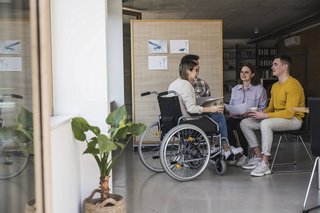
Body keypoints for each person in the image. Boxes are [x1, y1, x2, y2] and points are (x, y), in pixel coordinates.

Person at [240, 54, 305, 177]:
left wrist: (265, 116)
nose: (272, 67)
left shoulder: (293, 84)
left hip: (294, 120)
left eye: (275, 64)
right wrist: (259, 112)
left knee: (266, 123)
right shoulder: (275, 86)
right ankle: (259, 156)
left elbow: (289, 113)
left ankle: (265, 164)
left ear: (284, 66)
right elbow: (271, 107)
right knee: (245, 123)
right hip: (277, 118)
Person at [168, 59, 241, 160]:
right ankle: (225, 148)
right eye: (196, 70)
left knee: (214, 114)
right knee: (219, 116)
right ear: (188, 71)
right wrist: (211, 109)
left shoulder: (174, 84)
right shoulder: (186, 85)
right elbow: (191, 109)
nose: (198, 73)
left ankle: (217, 147)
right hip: (188, 122)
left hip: (176, 121)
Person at [226, 63, 268, 166]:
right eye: (241, 72)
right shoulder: (235, 89)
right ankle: (234, 152)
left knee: (241, 125)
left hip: (252, 118)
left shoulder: (259, 90)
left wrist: (249, 113)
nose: (243, 74)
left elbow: (263, 108)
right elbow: (231, 105)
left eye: (246, 72)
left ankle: (244, 155)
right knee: (226, 123)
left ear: (252, 74)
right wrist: (231, 112)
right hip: (237, 116)